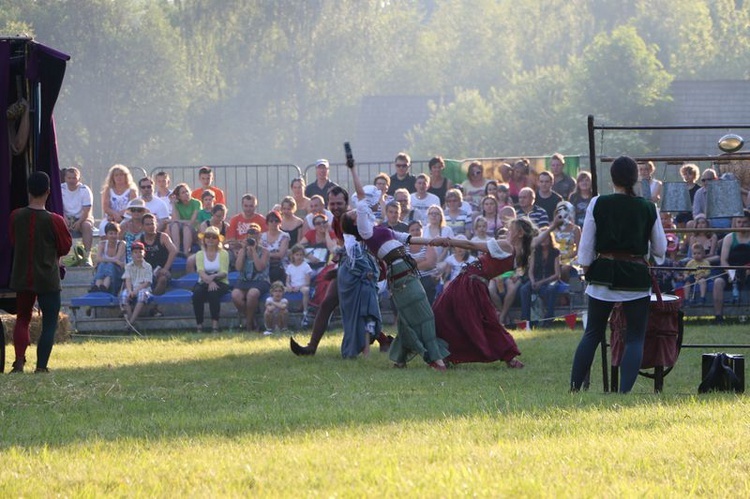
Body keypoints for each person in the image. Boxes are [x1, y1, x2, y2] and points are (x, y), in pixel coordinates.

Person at [570, 155, 667, 393]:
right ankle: (623, 393)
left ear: (612, 178)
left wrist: (586, 266)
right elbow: (660, 249)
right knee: (635, 337)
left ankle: (574, 389)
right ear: (635, 178)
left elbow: (586, 246)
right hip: (635, 276)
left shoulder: (597, 203)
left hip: (603, 274)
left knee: (592, 333)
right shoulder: (648, 207)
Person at [341, 160, 448, 370]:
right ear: (354, 223)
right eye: (351, 215)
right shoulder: (365, 231)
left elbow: (406, 237)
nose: (354, 211)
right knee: (425, 315)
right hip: (400, 274)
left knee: (408, 319)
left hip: (406, 271)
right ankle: (436, 358)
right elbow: (362, 201)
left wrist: (433, 241)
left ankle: (399, 359)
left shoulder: (377, 227)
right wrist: (353, 170)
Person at [430, 217, 555, 368]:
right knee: (482, 321)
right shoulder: (522, 251)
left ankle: (443, 356)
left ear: (520, 233)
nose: (508, 232)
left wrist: (447, 240)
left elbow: (471, 244)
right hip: (475, 284)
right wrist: (554, 225)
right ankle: (509, 358)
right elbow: (537, 239)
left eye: (511, 229)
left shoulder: (506, 246)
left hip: (468, 282)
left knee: (441, 314)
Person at [290, 185, 387, 357]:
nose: (335, 207)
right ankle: (312, 347)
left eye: (339, 203)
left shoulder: (353, 219)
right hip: (348, 267)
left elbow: (363, 249)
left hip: (364, 270)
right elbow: (347, 248)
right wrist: (338, 263)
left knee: (360, 308)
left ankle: (381, 340)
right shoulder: (336, 220)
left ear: (347, 203)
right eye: (332, 203)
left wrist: (339, 269)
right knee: (331, 303)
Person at [9, 171, 73, 373]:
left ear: (29, 191)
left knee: (23, 318)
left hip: (23, 275)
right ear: (48, 192)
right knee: (49, 323)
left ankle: (19, 361)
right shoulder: (55, 220)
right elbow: (64, 247)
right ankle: (41, 366)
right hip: (47, 277)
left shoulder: (16, 216)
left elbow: (13, 241)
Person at [712, 210, 750, 324]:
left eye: (745, 222)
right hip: (731, 272)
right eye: (739, 222)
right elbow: (724, 260)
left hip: (748, 271)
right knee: (718, 282)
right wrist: (730, 273)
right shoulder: (729, 238)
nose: (741, 225)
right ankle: (718, 317)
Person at [191, 226, 231, 333]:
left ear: (218, 240)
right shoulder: (200, 254)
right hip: (204, 281)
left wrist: (213, 278)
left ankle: (215, 325)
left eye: (213, 237)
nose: (210, 239)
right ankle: (199, 325)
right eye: (207, 237)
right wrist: (210, 281)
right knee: (197, 294)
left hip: (220, 281)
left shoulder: (223, 253)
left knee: (213, 293)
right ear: (204, 239)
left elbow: (224, 272)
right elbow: (200, 271)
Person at [232, 223, 270, 331]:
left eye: (255, 235)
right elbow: (238, 268)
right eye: (250, 235)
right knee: (235, 295)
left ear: (259, 236)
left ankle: (248, 324)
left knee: (252, 294)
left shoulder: (264, 251)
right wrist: (243, 250)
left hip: (260, 280)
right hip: (244, 280)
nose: (252, 237)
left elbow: (259, 268)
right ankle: (252, 319)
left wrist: (253, 252)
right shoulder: (242, 250)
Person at [519, 232, 561, 328]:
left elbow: (557, 274)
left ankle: (549, 318)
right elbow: (530, 271)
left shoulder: (555, 252)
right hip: (536, 279)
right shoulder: (535, 252)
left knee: (551, 289)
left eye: (546, 238)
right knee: (524, 289)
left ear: (550, 239)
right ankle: (526, 319)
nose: (544, 240)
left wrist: (541, 282)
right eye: (542, 238)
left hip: (550, 279)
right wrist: (533, 281)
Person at [60, 166, 94, 266]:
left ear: (79, 178)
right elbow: (59, 207)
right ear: (65, 178)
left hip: (82, 218)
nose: (71, 180)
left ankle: (87, 256)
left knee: (87, 226)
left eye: (74, 178)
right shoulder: (60, 189)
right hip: (65, 217)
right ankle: (60, 258)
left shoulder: (85, 190)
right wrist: (65, 219)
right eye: (69, 178)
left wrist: (79, 222)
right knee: (58, 225)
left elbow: (87, 210)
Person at [139, 213, 178, 296]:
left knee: (163, 279)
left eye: (152, 224)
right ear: (142, 226)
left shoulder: (163, 237)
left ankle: (153, 301)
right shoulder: (139, 240)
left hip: (162, 271)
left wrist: (166, 268)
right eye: (147, 224)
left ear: (156, 224)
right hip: (147, 272)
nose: (151, 226)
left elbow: (173, 251)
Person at [119, 241, 153, 330]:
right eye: (135, 252)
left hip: (144, 289)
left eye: (140, 252)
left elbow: (147, 282)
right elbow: (128, 280)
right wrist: (130, 291)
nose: (138, 254)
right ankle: (132, 324)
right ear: (132, 254)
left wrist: (135, 291)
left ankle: (130, 323)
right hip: (132, 288)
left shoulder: (148, 266)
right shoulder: (128, 266)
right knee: (124, 295)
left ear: (144, 253)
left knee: (142, 294)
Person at [406, 220, 440, 305]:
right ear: (408, 232)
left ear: (422, 230)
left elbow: (430, 264)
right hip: (410, 279)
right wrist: (421, 260)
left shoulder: (428, 243)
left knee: (425, 284)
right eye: (412, 230)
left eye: (417, 229)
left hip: (427, 278)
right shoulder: (404, 246)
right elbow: (403, 265)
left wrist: (411, 264)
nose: (415, 232)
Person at [99, 164, 137, 235]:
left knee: (123, 227)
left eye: (121, 175)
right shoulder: (108, 190)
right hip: (111, 217)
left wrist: (119, 215)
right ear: (112, 177)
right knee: (103, 226)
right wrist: (114, 215)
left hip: (127, 217)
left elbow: (133, 207)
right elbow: (105, 207)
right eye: (116, 175)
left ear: (126, 176)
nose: (119, 177)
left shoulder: (132, 190)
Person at [91, 222, 125, 294]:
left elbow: (117, 259)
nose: (113, 236)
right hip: (104, 271)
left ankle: (104, 287)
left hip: (117, 272)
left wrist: (112, 261)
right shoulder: (102, 244)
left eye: (115, 233)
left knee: (109, 265)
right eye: (111, 233)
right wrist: (113, 260)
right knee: (103, 265)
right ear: (106, 234)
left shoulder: (121, 244)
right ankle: (99, 287)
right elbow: (98, 259)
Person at [169, 183, 202, 256]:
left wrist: (182, 222)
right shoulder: (177, 204)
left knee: (186, 227)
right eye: (183, 193)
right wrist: (173, 204)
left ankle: (186, 252)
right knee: (174, 225)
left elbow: (192, 221)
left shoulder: (196, 203)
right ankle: (176, 250)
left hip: (193, 230)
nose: (186, 194)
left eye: (187, 191)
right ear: (179, 196)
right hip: (180, 230)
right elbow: (175, 220)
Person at [285, 244, 313, 324]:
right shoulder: (290, 267)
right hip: (292, 286)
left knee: (306, 290)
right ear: (293, 255)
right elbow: (287, 281)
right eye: (297, 255)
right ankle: (282, 310)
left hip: (302, 286)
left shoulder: (306, 266)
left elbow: (307, 283)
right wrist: (289, 286)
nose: (299, 257)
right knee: (280, 289)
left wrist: (299, 287)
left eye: (301, 255)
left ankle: (305, 311)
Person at [262, 210, 290, 284]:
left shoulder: (285, 236)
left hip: (281, 265)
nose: (274, 223)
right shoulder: (262, 236)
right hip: (265, 265)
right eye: (271, 221)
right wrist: (272, 254)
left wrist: (267, 254)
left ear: (280, 222)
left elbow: (281, 255)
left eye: (276, 221)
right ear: (267, 223)